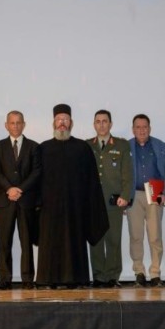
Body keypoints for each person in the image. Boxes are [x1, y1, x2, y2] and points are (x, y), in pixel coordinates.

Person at [35, 104, 109, 289]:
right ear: (53, 123)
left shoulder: (82, 148)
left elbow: (92, 181)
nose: (62, 123)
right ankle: (49, 279)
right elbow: (36, 179)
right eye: (59, 119)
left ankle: (75, 278)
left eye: (66, 119)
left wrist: (90, 206)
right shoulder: (43, 149)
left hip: (75, 208)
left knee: (74, 242)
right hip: (49, 209)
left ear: (71, 123)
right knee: (50, 243)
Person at [0, 110, 41, 290]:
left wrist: (20, 189)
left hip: (25, 200)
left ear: (24, 124)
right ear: (6, 125)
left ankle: (28, 278)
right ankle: (5, 279)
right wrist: (9, 189)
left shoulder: (34, 147)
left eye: (18, 122)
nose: (15, 126)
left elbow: (36, 172)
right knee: (5, 241)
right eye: (12, 123)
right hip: (5, 201)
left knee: (26, 241)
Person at [87, 109, 133, 288]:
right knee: (96, 240)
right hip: (93, 202)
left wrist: (125, 196)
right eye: (98, 121)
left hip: (114, 201)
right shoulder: (87, 145)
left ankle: (113, 276)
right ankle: (99, 276)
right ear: (94, 124)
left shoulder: (121, 145)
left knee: (113, 239)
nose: (101, 125)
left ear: (110, 124)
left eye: (104, 121)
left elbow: (127, 173)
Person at [127, 114, 165, 288]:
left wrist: (164, 192)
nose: (142, 130)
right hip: (134, 194)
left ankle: (155, 273)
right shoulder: (126, 146)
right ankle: (139, 272)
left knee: (155, 235)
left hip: (154, 191)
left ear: (149, 128)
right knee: (136, 236)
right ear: (133, 129)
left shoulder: (160, 145)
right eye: (138, 127)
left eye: (145, 127)